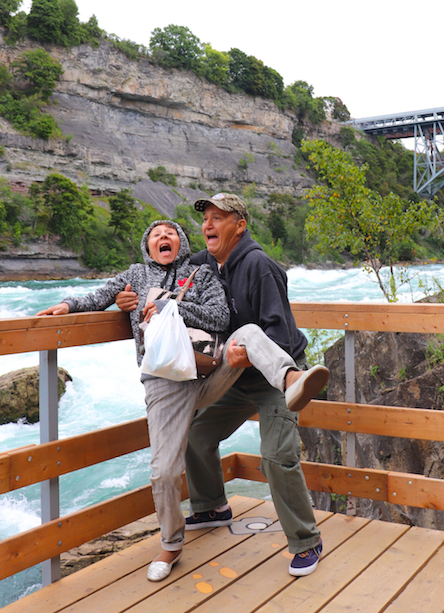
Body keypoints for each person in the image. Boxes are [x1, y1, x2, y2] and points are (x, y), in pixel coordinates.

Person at [39, 219, 325, 583]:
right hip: (163, 383)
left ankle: (292, 378)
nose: (163, 237)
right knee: (164, 471)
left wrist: (168, 306)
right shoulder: (134, 277)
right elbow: (97, 296)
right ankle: (173, 542)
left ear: (181, 243)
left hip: (205, 372)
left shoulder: (200, 273)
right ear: (147, 245)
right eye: (156, 234)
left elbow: (221, 318)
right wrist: (66, 305)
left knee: (249, 334)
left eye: (170, 233)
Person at [184, 192, 326, 577]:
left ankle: (306, 540)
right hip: (235, 376)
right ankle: (212, 506)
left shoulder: (260, 266)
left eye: (218, 218)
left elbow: (279, 334)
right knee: (195, 433)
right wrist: (107, 298)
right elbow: (162, 267)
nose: (208, 225)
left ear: (240, 225)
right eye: (205, 219)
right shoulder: (206, 265)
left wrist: (245, 354)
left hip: (274, 373)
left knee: (276, 456)